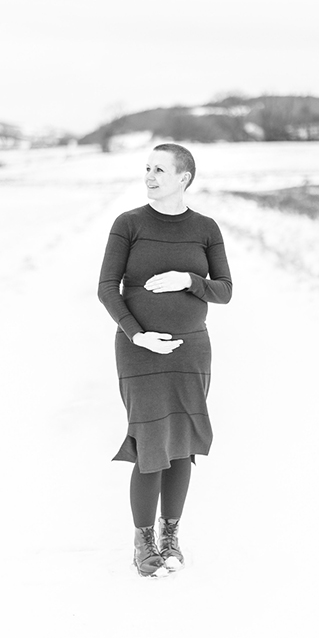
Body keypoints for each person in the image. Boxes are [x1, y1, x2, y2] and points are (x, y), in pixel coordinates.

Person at [98, 143, 233, 577]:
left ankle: (170, 535)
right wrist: (137, 335)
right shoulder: (129, 224)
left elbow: (225, 290)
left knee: (182, 443)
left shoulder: (206, 228)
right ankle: (143, 544)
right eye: (147, 168)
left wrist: (188, 279)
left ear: (184, 178)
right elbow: (106, 288)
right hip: (140, 352)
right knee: (150, 442)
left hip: (192, 349)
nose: (150, 176)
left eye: (160, 169)